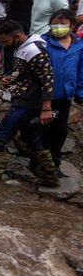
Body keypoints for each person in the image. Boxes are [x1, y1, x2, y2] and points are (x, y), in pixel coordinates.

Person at [0, 21, 59, 188]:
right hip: (24, 98)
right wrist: (12, 80)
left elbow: (48, 80)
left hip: (27, 102)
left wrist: (46, 107)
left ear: (17, 36)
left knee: (0, 136)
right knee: (31, 138)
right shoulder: (23, 48)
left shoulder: (34, 50)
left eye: (6, 41)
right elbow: (25, 73)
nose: (4, 45)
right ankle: (50, 175)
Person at [40, 9, 83, 173]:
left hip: (65, 96)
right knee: (43, 130)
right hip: (45, 96)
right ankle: (40, 164)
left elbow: (80, 71)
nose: (58, 26)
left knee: (60, 131)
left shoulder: (79, 45)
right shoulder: (43, 42)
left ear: (72, 26)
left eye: (62, 23)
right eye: (55, 23)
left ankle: (54, 163)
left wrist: (80, 93)